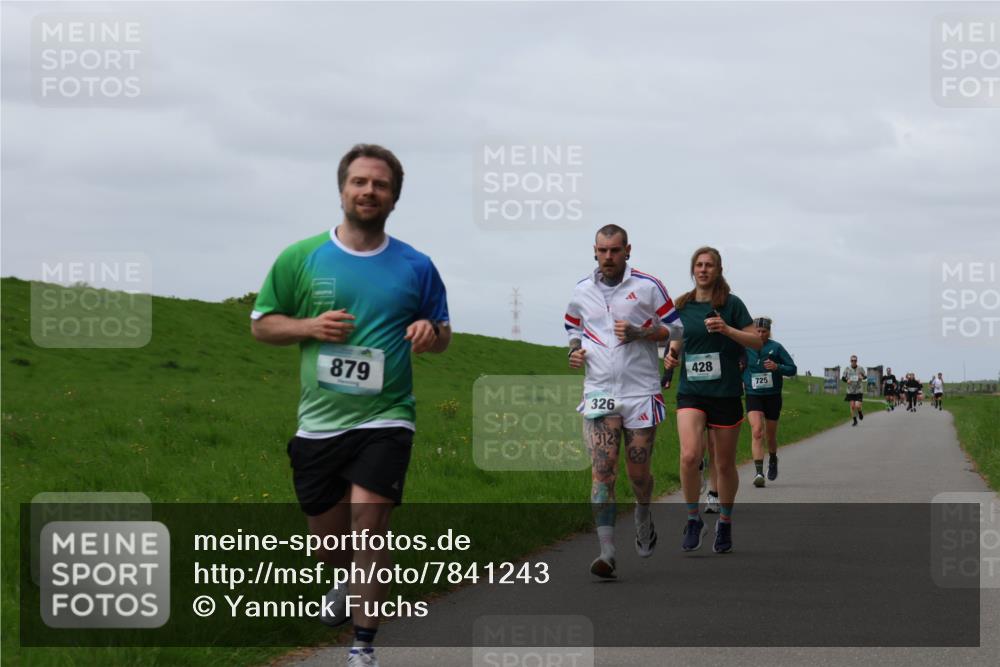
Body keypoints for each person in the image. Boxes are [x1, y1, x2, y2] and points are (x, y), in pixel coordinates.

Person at [251, 144, 451, 667]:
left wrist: (429, 332)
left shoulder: (416, 265)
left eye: (380, 184)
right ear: (342, 189)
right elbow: (262, 324)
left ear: (394, 197)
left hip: (387, 416)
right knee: (329, 544)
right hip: (319, 423)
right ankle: (345, 578)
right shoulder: (300, 257)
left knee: (370, 527)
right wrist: (309, 326)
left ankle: (363, 647)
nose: (369, 191)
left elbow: (443, 333)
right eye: (359, 182)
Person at [566, 224, 683, 578]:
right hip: (599, 391)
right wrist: (574, 351)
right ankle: (607, 552)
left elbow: (677, 329)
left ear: (627, 250)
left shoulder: (648, 286)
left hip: (640, 391)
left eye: (615, 251)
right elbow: (572, 326)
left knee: (637, 473)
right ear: (594, 251)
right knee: (602, 472)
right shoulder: (582, 290)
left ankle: (643, 513)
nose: (608, 257)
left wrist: (642, 332)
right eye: (602, 251)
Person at [663, 247, 761, 554]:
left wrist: (727, 329)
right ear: (693, 270)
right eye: (699, 265)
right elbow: (677, 339)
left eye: (709, 265)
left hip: (725, 393)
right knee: (690, 456)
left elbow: (756, 341)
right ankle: (693, 520)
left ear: (719, 270)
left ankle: (725, 521)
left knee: (724, 463)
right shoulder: (682, 305)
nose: (703, 270)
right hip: (691, 391)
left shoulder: (732, 304)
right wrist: (671, 356)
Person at [742, 317, 797, 487]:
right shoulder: (745, 347)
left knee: (770, 435)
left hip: (772, 396)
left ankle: (773, 459)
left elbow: (792, 369)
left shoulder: (776, 347)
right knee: (757, 431)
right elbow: (736, 365)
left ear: (769, 332)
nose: (760, 334)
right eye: (757, 331)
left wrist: (777, 367)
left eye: (764, 331)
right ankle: (759, 473)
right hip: (753, 395)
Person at [841, 356, 867, 426]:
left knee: (857, 406)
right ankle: (855, 420)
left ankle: (860, 412)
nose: (853, 362)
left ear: (856, 361)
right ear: (850, 361)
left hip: (859, 389)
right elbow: (843, 378)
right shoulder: (847, 368)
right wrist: (847, 380)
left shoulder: (860, 368)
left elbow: (865, 376)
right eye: (852, 360)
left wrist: (862, 377)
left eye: (855, 360)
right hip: (850, 390)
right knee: (852, 406)